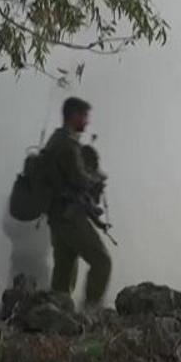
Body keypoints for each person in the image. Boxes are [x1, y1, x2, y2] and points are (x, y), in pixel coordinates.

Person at [41, 97, 111, 308]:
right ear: (74, 116)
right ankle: (91, 311)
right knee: (102, 262)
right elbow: (79, 179)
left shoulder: (57, 140)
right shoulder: (67, 145)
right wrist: (96, 179)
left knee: (63, 273)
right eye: (84, 116)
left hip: (58, 217)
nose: (87, 122)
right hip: (70, 216)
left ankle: (54, 319)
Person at [1, 203, 50, 290]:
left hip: (37, 263)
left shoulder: (49, 200)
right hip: (21, 261)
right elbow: (8, 225)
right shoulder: (20, 197)